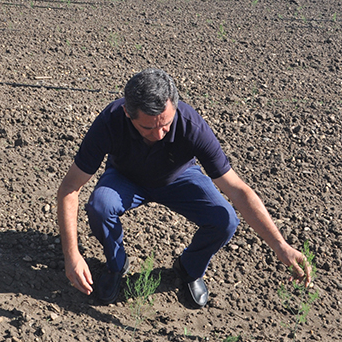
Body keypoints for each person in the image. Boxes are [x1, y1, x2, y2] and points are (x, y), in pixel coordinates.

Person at [56, 68, 312, 308]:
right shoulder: (110, 121)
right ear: (127, 113)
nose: (159, 135)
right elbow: (69, 188)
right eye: (148, 127)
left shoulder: (193, 127)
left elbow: (237, 190)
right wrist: (72, 256)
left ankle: (189, 268)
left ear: (175, 108)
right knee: (100, 206)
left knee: (224, 220)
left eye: (165, 124)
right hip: (125, 177)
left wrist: (280, 245)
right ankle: (116, 264)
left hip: (178, 177)